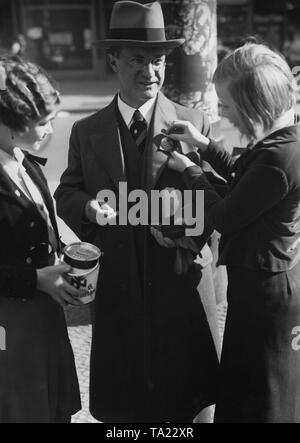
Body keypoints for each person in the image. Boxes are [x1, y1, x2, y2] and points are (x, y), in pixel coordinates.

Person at [55, 1, 219, 423]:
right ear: (113, 61)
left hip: (180, 292)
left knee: (186, 406)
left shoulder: (192, 123)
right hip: (118, 292)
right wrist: (88, 208)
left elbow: (220, 206)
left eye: (158, 61)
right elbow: (66, 193)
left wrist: (190, 226)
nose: (150, 72)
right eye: (137, 61)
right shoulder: (85, 131)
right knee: (124, 413)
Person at [166, 43, 300, 423]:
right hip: (266, 284)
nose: (220, 111)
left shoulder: (277, 157)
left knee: (262, 394)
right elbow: (245, 180)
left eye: (225, 104)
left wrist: (192, 172)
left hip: (266, 295)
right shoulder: (284, 141)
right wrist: (205, 145)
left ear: (253, 104)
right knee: (255, 387)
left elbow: (226, 215)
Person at [0, 56, 83, 423]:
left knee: (50, 407)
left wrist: (67, 255)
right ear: (8, 123)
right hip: (9, 324)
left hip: (43, 317)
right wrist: (35, 279)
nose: (50, 130)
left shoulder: (26, 162)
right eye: (42, 122)